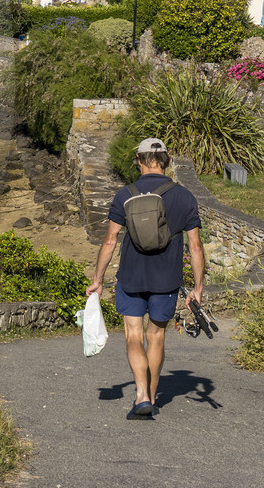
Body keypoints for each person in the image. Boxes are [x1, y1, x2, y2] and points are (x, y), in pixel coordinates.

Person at [87, 137, 205, 419]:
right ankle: (151, 397)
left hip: (131, 277)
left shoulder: (125, 194)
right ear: (166, 161)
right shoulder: (184, 197)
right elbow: (196, 246)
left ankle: (140, 395)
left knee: (133, 335)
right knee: (156, 336)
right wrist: (198, 288)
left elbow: (110, 240)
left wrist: (98, 279)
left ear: (139, 161)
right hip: (167, 279)